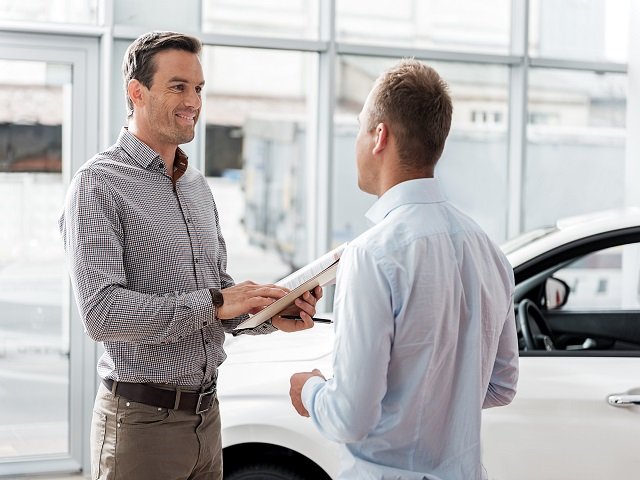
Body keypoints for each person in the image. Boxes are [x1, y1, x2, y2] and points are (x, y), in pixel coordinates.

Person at [59, 31, 320, 480]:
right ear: (135, 91)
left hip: (209, 418)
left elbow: (216, 300)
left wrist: (266, 312)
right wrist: (218, 302)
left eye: (198, 88)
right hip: (141, 425)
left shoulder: (198, 187)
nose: (193, 101)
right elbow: (102, 314)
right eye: (178, 86)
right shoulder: (98, 184)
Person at [289, 59, 518, 480]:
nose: (356, 140)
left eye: (360, 127)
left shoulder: (372, 255)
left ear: (380, 136)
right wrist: (436, 390)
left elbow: (349, 417)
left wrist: (311, 389)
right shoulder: (491, 253)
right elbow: (501, 386)